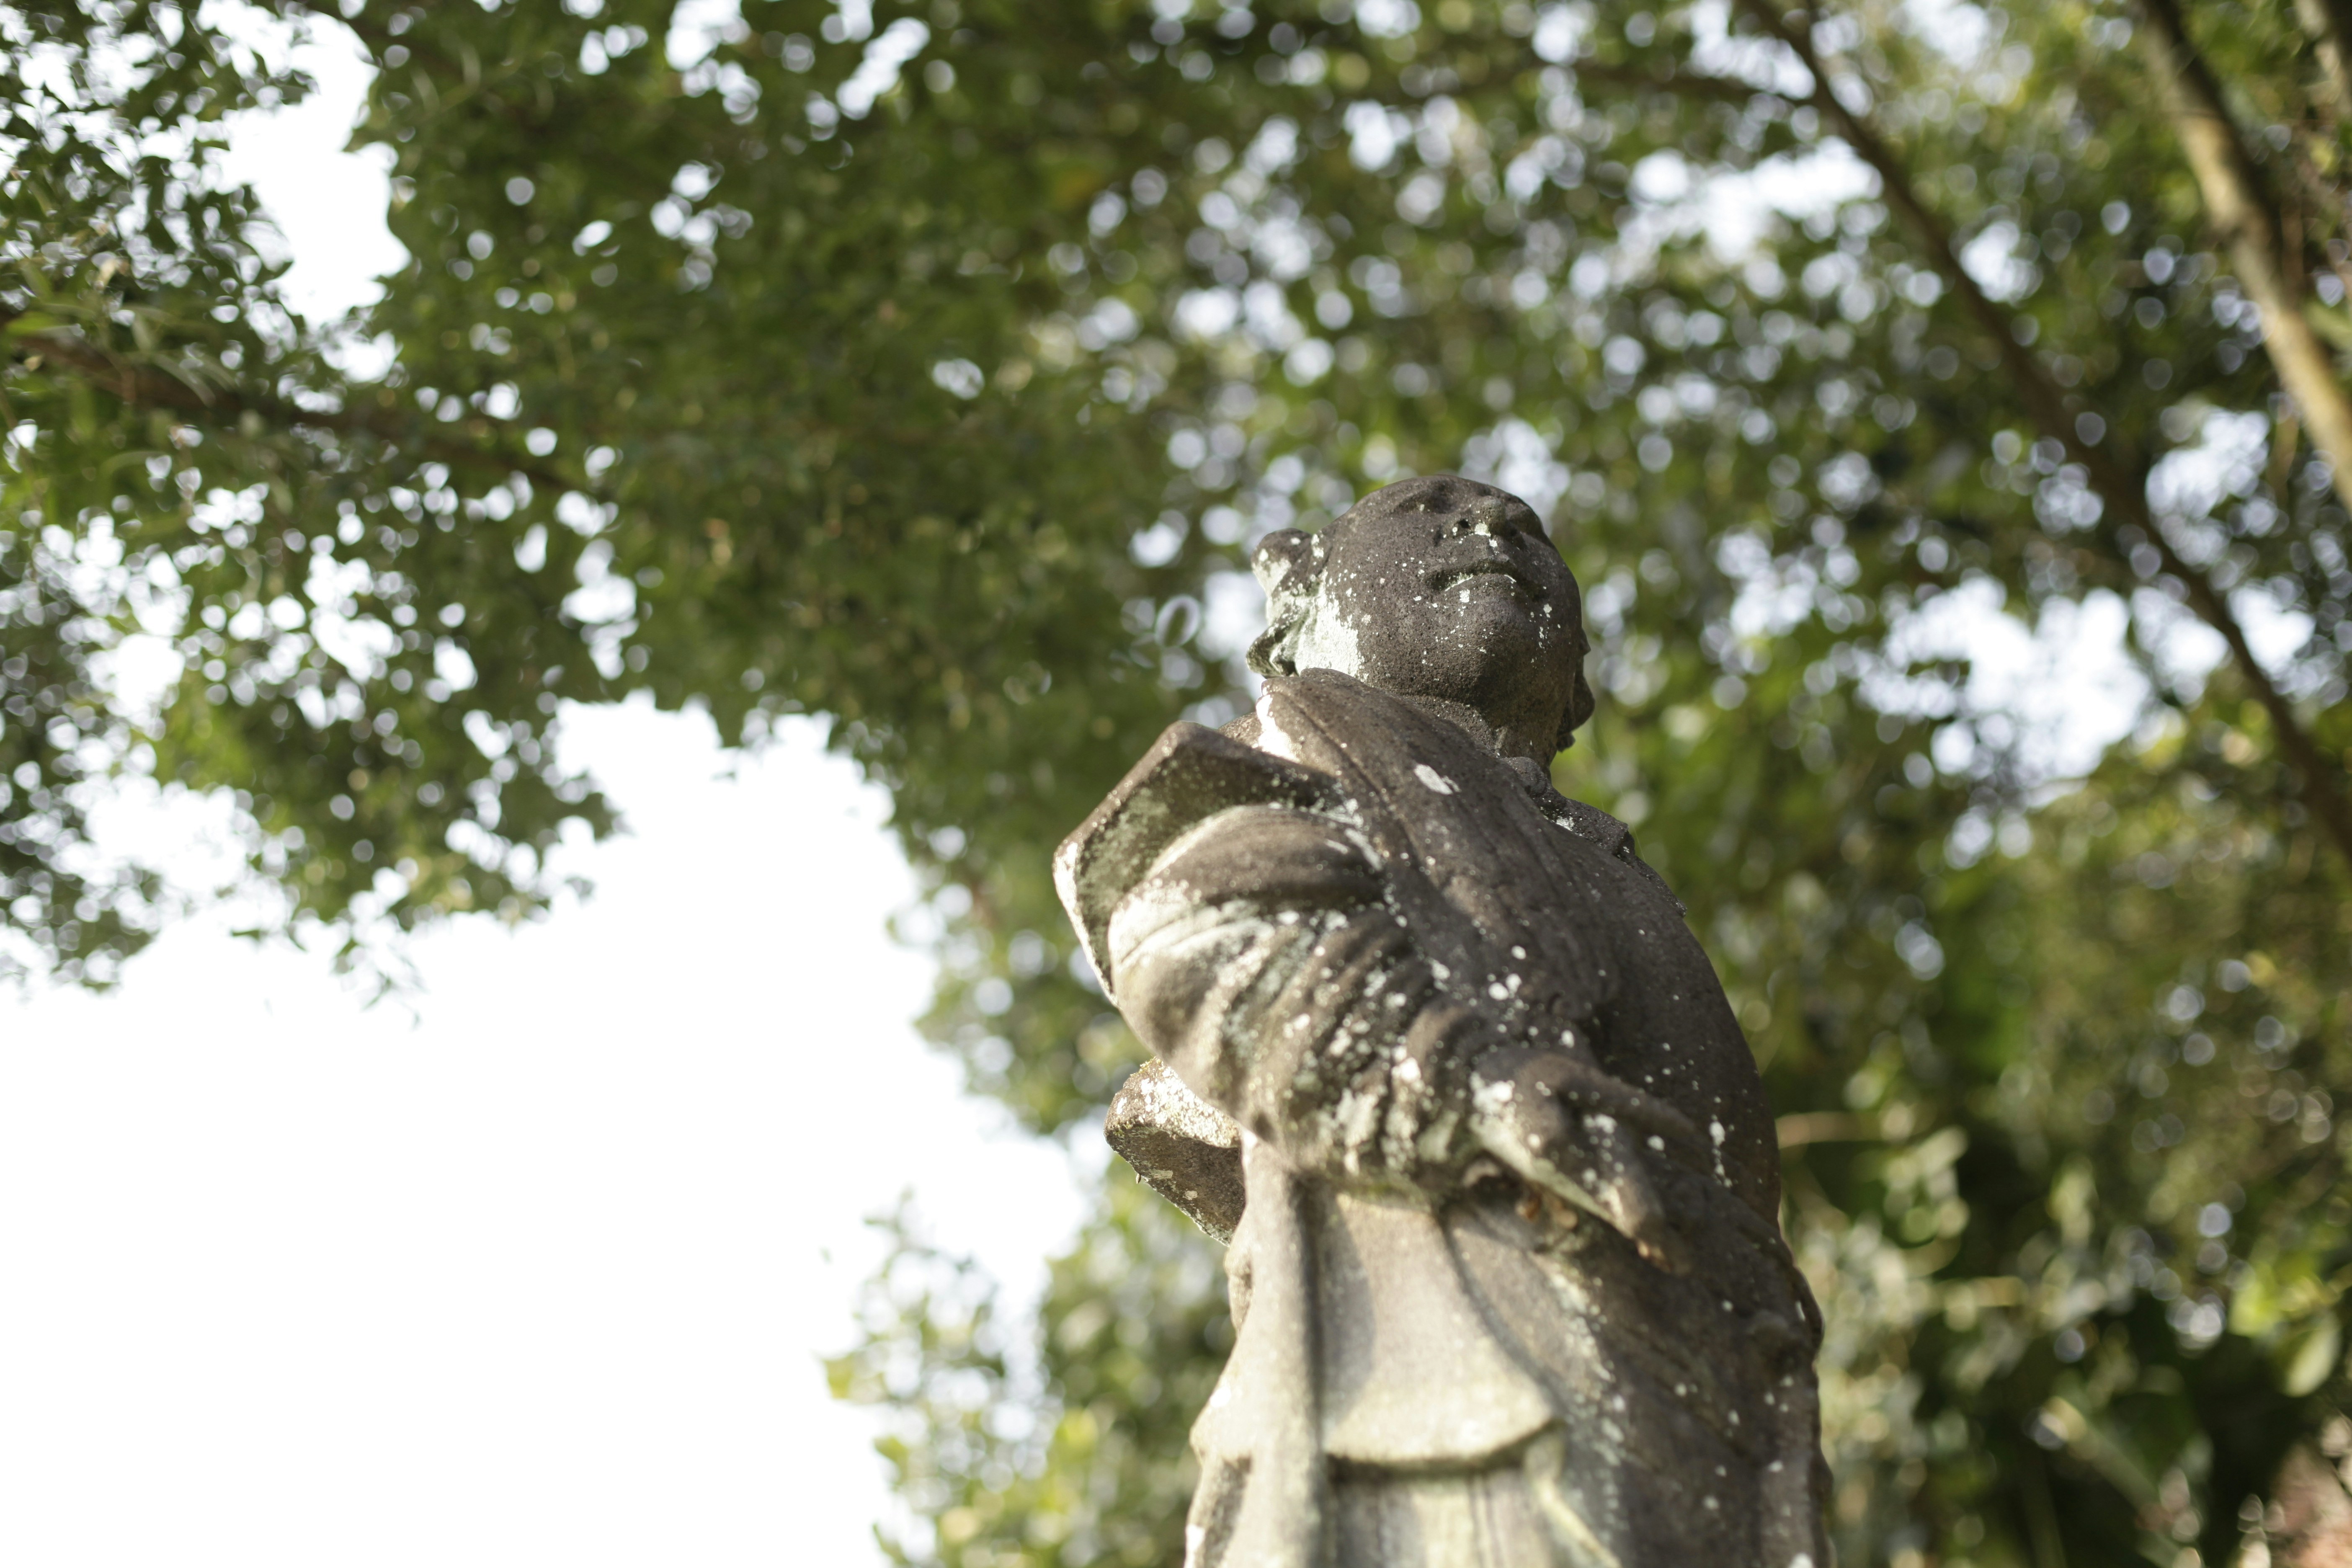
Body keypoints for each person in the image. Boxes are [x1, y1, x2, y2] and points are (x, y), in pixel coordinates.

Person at [1056, 475, 1828, 1568]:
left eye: (1528, 529)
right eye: (1430, 511)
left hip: (1707, 1387)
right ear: (1299, 605)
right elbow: (1192, 914)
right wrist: (1458, 1077)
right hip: (1453, 1381)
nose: (1494, 529)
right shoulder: (1305, 745)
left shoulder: (1599, 853)